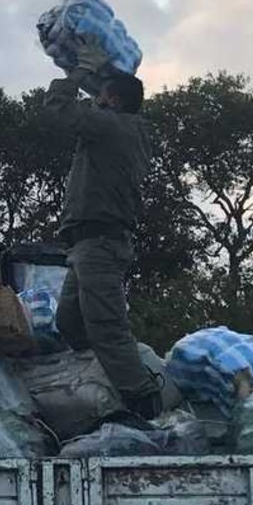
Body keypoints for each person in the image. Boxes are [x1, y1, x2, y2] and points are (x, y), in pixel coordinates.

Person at [44, 40, 163, 419]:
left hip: (100, 242)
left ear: (112, 101)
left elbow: (57, 110)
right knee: (69, 322)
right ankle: (98, 385)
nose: (95, 100)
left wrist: (78, 71)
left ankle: (144, 403)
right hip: (87, 245)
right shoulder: (118, 129)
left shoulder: (113, 127)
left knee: (107, 327)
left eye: (101, 96)